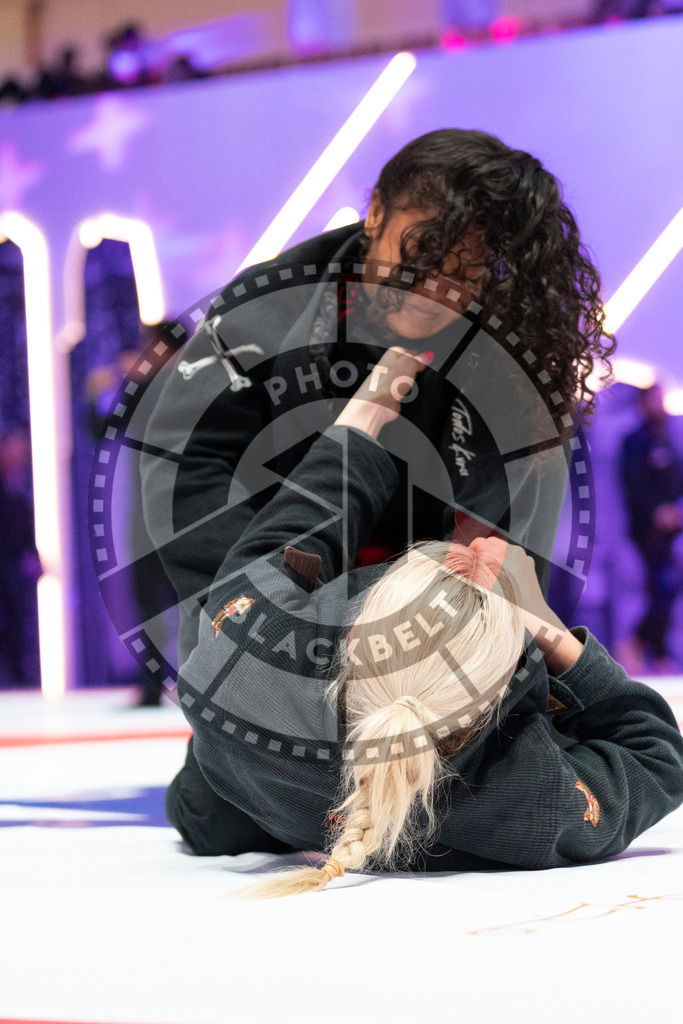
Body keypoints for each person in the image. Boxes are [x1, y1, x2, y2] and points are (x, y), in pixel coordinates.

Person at [167, 347, 683, 900]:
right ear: (493, 713)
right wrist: (544, 624)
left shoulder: (235, 674)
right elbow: (657, 754)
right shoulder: (523, 791)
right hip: (271, 781)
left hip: (231, 801)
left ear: (359, 632)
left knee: (204, 808)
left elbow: (279, 542)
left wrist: (363, 416)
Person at [141, 128, 615, 670]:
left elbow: (509, 549)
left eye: (464, 274)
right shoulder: (265, 311)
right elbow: (184, 461)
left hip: (431, 646)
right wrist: (255, 607)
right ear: (375, 216)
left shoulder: (510, 359)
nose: (432, 292)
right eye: (418, 259)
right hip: (268, 620)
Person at [619, 383, 683, 673]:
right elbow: (634, 486)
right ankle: (637, 641)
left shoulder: (666, 440)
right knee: (662, 586)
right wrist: (656, 512)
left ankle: (654, 650)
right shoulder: (634, 441)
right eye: (655, 399)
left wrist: (674, 510)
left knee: (666, 588)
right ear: (643, 403)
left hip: (671, 531)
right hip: (645, 531)